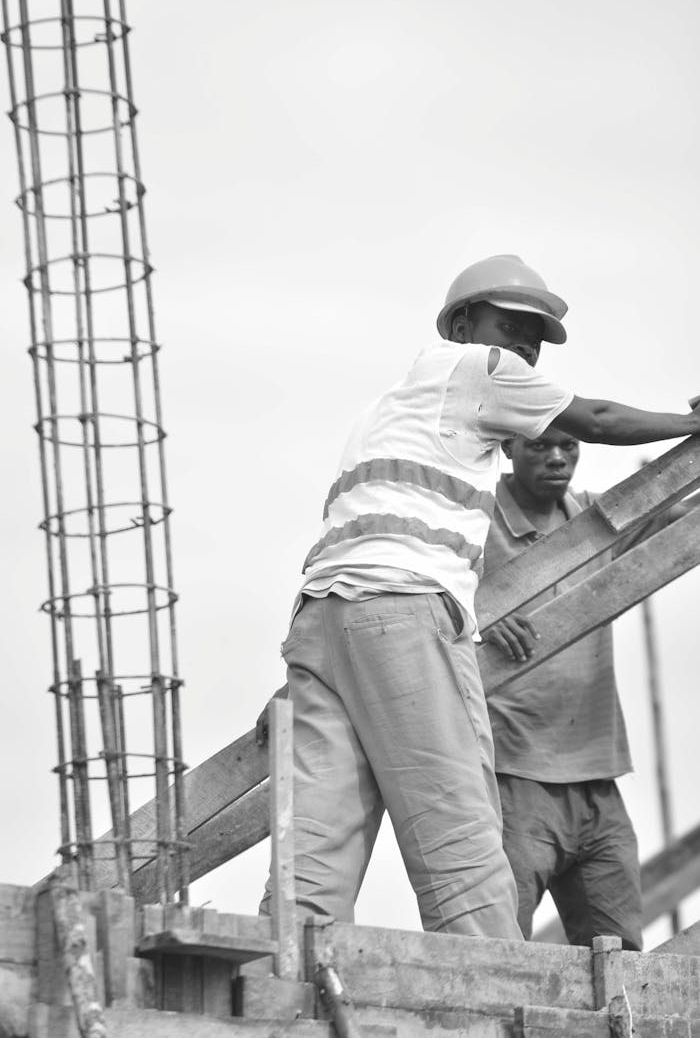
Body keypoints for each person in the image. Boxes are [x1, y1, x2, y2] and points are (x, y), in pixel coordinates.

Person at [260, 253, 700, 939]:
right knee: (461, 836)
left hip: (321, 620)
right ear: (463, 324)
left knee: (316, 846)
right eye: (512, 325)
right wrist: (689, 422)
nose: (525, 347)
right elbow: (600, 417)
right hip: (401, 614)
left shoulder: (392, 407)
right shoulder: (478, 371)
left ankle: (280, 979)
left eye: (536, 335)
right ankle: (491, 1002)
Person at [478, 427, 698, 950]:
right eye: (539, 445)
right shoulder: (472, 524)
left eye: (570, 447)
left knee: (620, 957)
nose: (557, 458)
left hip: (597, 779)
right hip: (511, 776)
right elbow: (418, 591)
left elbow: (687, 518)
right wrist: (476, 612)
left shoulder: (596, 521)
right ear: (508, 447)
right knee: (499, 952)